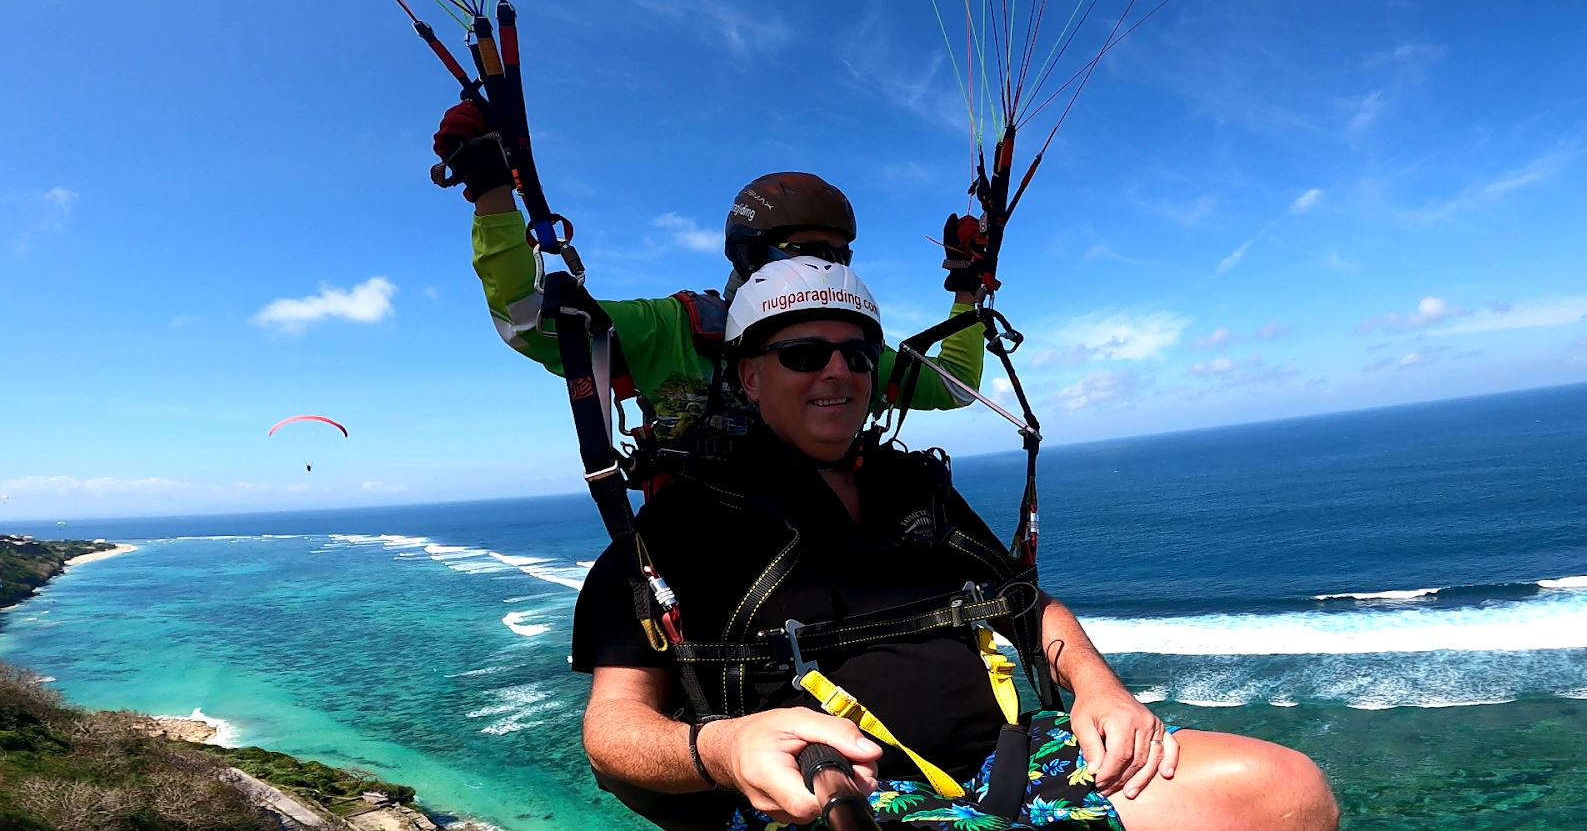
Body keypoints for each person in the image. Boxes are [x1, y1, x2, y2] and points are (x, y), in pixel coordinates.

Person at [572, 257, 1340, 831]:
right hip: (839, 806)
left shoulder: (918, 491)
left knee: (1289, 792)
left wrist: (1100, 691)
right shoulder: (682, 527)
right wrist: (728, 749)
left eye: (858, 354)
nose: (837, 370)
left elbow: (1027, 606)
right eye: (804, 354)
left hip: (1020, 767)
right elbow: (614, 732)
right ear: (748, 377)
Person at [434, 102, 989, 447]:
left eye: (837, 256)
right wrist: (492, 192)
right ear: (749, 255)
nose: (822, 267)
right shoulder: (673, 330)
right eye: (802, 250)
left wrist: (966, 287)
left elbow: (954, 388)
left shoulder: (844, 353)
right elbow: (529, 320)